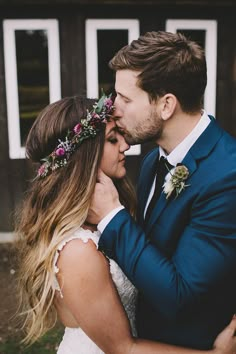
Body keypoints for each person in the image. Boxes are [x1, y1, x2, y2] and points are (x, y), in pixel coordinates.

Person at [15, 94, 236, 354]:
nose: (125, 145)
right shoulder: (78, 251)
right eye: (112, 139)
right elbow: (124, 348)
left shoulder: (106, 216)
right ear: (84, 157)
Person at [88, 31, 236, 350]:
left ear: (166, 104)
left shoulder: (228, 177)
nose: (114, 110)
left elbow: (179, 295)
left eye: (125, 99)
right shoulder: (153, 159)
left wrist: (113, 217)